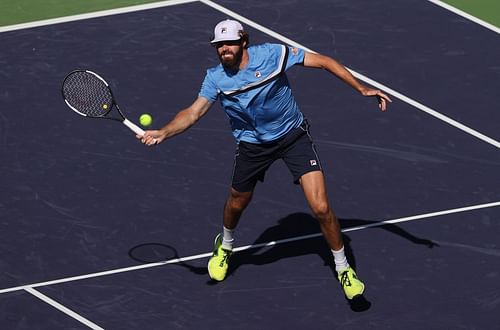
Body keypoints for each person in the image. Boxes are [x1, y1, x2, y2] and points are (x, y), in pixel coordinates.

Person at [138, 19, 391, 300]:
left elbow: (323, 61)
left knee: (320, 207)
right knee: (237, 202)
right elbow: (194, 112)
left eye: (229, 43)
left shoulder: (272, 55)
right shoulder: (215, 78)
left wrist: (361, 88)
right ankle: (226, 244)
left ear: (243, 41)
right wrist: (164, 132)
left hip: (293, 137)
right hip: (252, 146)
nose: (224, 49)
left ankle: (343, 269)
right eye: (219, 45)